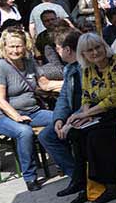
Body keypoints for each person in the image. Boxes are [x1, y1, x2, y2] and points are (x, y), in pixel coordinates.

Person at [60, 30, 116, 203]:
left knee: (96, 136)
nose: (95, 53)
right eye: (90, 50)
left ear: (104, 46)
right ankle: (83, 184)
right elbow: (86, 95)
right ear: (83, 54)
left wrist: (86, 114)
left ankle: (110, 185)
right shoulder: (88, 69)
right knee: (76, 133)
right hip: (101, 113)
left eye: (97, 47)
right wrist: (86, 114)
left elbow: (115, 99)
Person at [0, 27, 50, 188]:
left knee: (60, 118)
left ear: (25, 46)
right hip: (6, 117)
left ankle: (66, 164)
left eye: (19, 46)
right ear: (4, 47)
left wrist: (69, 83)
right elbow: (0, 100)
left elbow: (45, 84)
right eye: (11, 46)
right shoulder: (0, 67)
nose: (15, 50)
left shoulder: (30, 63)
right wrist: (17, 117)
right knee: (25, 132)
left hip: (33, 111)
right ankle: (30, 176)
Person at [31, 29, 83, 193]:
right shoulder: (68, 69)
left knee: (77, 134)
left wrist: (72, 119)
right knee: (47, 135)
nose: (57, 52)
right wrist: (59, 119)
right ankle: (77, 176)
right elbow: (63, 98)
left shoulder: (85, 67)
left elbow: (90, 98)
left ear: (67, 49)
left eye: (58, 48)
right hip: (72, 116)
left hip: (87, 115)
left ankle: (84, 178)